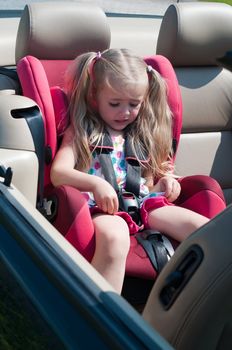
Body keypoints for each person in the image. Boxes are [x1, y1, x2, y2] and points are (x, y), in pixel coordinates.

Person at [51, 48, 209, 293]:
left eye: (133, 105)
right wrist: (96, 184)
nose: (125, 112)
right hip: (101, 206)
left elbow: (146, 179)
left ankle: (202, 301)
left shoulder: (140, 133)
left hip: (143, 202)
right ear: (94, 96)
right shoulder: (82, 131)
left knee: (205, 230)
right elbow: (58, 173)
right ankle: (102, 312)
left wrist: (165, 182)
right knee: (115, 238)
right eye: (114, 104)